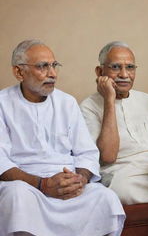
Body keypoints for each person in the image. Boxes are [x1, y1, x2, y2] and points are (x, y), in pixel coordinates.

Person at [0, 39, 125, 236]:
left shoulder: (67, 102)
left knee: (105, 197)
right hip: (27, 185)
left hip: (68, 185)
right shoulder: (2, 103)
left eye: (54, 65)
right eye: (43, 66)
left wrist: (81, 179)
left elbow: (87, 153)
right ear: (19, 72)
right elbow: (1, 162)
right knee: (15, 196)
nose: (53, 74)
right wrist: (43, 184)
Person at [80, 41, 148, 205]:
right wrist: (109, 100)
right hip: (123, 175)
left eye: (130, 67)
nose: (124, 74)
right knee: (122, 191)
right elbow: (107, 156)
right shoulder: (88, 107)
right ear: (100, 72)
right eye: (115, 67)